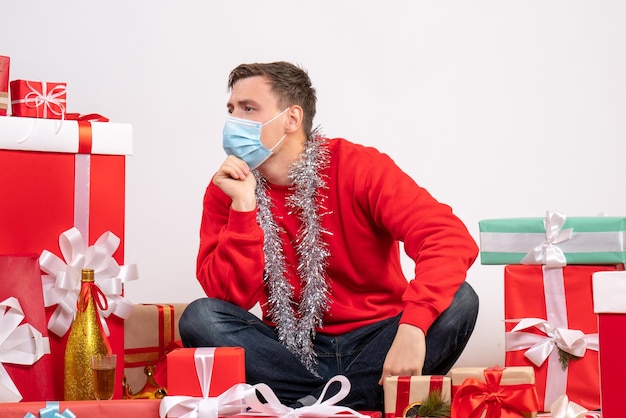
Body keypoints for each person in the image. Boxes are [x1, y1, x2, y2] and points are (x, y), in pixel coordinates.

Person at [179, 61, 479, 412]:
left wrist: (413, 327)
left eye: (248, 109)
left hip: (379, 344)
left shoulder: (358, 167)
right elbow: (229, 297)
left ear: (291, 119)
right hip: (289, 354)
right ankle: (347, 401)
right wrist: (244, 208)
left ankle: (309, 405)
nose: (234, 122)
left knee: (460, 299)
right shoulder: (227, 189)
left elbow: (447, 237)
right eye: (231, 110)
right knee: (200, 317)